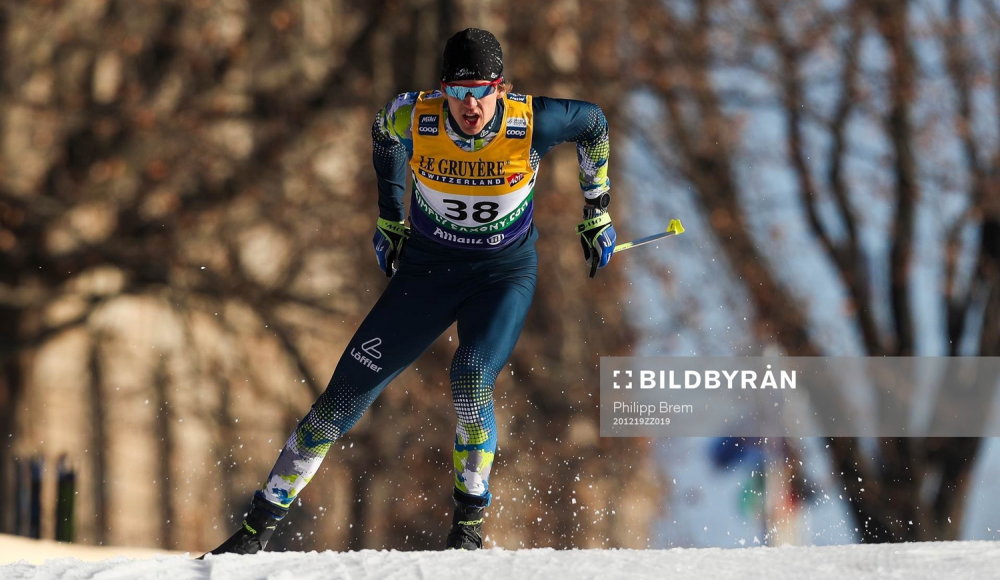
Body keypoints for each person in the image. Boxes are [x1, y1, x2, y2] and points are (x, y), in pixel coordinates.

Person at [207, 27, 616, 554]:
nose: (470, 106)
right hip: (427, 274)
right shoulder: (413, 116)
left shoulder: (532, 119)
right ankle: (254, 532)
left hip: (500, 275)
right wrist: (389, 216)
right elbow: (383, 134)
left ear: (502, 88)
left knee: (470, 375)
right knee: (340, 401)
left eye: (482, 91)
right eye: (459, 92)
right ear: (443, 89)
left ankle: (467, 528)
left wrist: (597, 208)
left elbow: (596, 125)